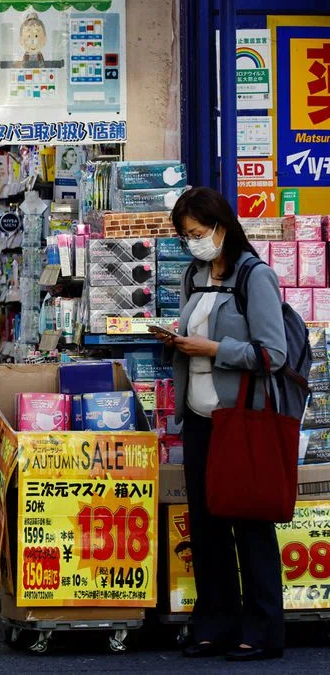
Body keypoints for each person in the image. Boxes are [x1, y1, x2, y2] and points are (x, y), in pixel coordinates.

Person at [155, 187, 287, 663]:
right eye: (185, 236)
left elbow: (272, 354)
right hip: (199, 417)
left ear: (221, 226)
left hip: (241, 419)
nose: (193, 242)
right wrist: (176, 342)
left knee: (249, 523)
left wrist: (213, 350)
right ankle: (214, 624)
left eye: (197, 233)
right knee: (206, 525)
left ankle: (263, 629)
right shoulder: (193, 277)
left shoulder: (255, 277)